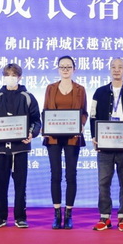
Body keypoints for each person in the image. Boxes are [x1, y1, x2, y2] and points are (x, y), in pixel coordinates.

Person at [90, 58, 123, 231]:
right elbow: (93, 116)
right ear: (109, 70)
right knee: (103, 182)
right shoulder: (100, 92)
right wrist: (94, 136)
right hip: (105, 144)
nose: (116, 70)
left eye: (120, 67)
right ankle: (104, 217)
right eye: (113, 67)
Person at [0, 63, 41, 228]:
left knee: (20, 185)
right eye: (7, 75)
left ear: (20, 77)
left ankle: (20, 217)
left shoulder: (28, 97)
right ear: (3, 77)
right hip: (0, 149)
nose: (10, 78)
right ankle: (0, 217)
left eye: (14, 75)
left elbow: (36, 121)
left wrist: (31, 134)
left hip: (20, 148)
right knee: (0, 184)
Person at [42, 55, 88, 230]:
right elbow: (45, 111)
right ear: (58, 69)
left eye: (69, 67)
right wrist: (47, 126)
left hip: (72, 137)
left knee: (71, 175)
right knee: (55, 175)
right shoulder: (50, 88)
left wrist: (80, 125)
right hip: (53, 137)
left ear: (74, 69)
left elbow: (84, 113)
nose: (65, 69)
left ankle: (68, 214)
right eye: (62, 67)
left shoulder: (80, 89)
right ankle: (57, 214)